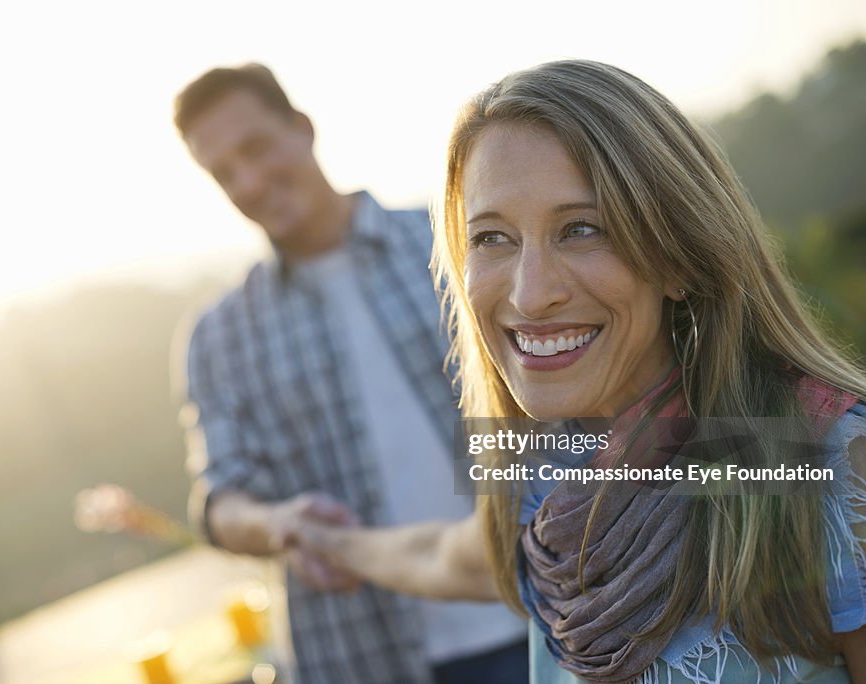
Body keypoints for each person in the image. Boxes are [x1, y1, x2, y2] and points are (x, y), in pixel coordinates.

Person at [293, 60, 866, 683]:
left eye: (581, 229)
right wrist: (325, 542)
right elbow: (445, 556)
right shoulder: (544, 469)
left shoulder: (826, 461)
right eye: (491, 238)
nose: (531, 294)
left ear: (680, 259)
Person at [172, 63, 528, 684]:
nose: (249, 180)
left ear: (302, 128)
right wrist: (275, 524)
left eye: (255, 148)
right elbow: (221, 500)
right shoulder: (219, 336)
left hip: (537, 617)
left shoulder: (457, 240)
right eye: (224, 172)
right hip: (365, 657)